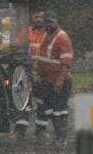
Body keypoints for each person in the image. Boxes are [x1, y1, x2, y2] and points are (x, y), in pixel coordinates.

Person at [32, 11, 74, 145]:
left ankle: (62, 138)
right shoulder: (47, 35)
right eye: (46, 22)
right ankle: (54, 135)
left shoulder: (62, 38)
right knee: (46, 106)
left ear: (56, 21)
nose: (47, 24)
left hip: (59, 80)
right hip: (47, 80)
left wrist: (60, 80)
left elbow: (66, 62)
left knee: (60, 109)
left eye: (50, 22)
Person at [16, 11, 47, 137]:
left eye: (41, 17)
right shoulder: (26, 32)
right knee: (24, 101)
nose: (38, 19)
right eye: (36, 16)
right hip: (27, 71)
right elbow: (16, 48)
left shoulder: (49, 33)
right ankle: (20, 130)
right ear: (32, 18)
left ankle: (41, 130)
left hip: (43, 73)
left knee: (43, 101)